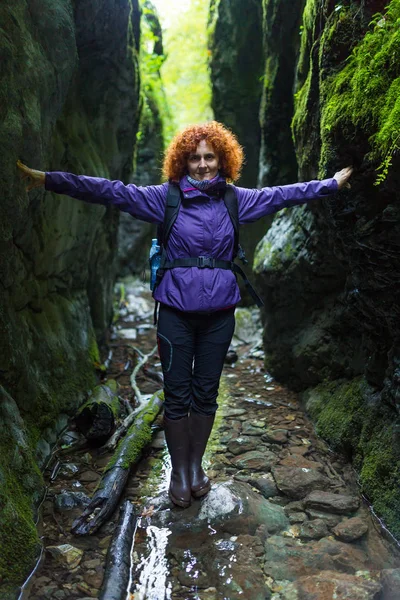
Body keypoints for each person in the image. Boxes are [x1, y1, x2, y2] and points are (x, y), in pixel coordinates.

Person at [17, 120, 353, 508]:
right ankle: (178, 470)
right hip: (175, 313)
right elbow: (110, 191)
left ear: (222, 159)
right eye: (195, 157)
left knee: (206, 394)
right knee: (177, 395)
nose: (203, 164)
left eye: (210, 157)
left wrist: (329, 184)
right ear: (183, 160)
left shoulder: (235, 199)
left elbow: (282, 195)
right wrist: (49, 179)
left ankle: (195, 466)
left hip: (220, 315)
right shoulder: (165, 198)